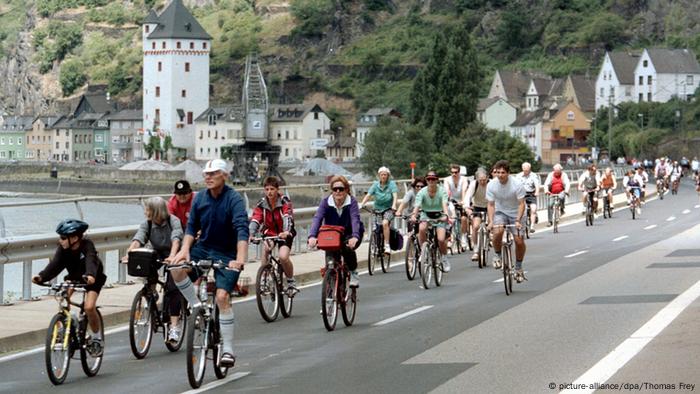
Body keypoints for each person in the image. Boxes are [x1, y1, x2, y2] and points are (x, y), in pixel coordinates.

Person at [172, 159, 249, 368]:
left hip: (227, 253)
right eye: (206, 174)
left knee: (222, 297)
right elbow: (191, 228)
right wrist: (185, 250)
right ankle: (196, 306)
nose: (208, 177)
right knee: (177, 270)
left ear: (224, 175)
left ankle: (228, 350)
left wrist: (239, 260)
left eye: (213, 173)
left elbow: (242, 230)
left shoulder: (234, 199)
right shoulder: (200, 199)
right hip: (203, 247)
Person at [32, 219, 107, 355]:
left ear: (74, 238)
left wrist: (90, 275)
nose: (60, 241)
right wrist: (41, 277)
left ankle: (96, 339)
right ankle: (68, 326)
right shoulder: (63, 249)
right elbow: (54, 265)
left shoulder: (87, 245)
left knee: (89, 307)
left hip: (93, 278)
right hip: (74, 277)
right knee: (63, 298)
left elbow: (91, 260)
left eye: (63, 238)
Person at [122, 197, 184, 344]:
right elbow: (138, 238)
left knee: (172, 288)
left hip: (174, 253)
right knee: (146, 263)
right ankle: (151, 291)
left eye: (148, 209)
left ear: (156, 211)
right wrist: (130, 253)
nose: (145, 212)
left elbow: (176, 239)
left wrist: (173, 256)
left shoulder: (173, 221)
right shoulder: (147, 224)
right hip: (157, 251)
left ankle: (174, 326)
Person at [308, 175, 364, 287]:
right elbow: (318, 218)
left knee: (348, 249)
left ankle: (353, 272)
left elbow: (355, 219)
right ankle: (331, 287)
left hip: (350, 233)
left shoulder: (351, 202)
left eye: (341, 189)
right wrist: (312, 236)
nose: (338, 191)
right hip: (332, 234)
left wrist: (355, 236)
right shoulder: (326, 202)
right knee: (331, 261)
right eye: (335, 189)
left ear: (346, 190)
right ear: (332, 191)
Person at [249, 176, 297, 291]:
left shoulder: (284, 201)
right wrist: (251, 234)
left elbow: (287, 216)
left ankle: (290, 280)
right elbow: (256, 219)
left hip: (285, 232)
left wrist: (286, 232)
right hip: (269, 232)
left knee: (283, 256)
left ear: (277, 189)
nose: (269, 192)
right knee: (266, 250)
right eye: (267, 189)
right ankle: (264, 279)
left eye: (272, 189)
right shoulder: (262, 204)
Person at [487, 160, 527, 282]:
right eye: (497, 172)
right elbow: (491, 204)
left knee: (519, 241)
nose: (500, 175)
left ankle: (519, 267)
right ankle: (497, 254)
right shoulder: (492, 185)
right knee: (498, 231)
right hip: (500, 211)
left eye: (503, 172)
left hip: (517, 212)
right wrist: (491, 221)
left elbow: (521, 204)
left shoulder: (517, 184)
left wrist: (518, 220)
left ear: (508, 173)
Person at [412, 170, 451, 272]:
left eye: (433, 179)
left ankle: (444, 258)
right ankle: (423, 251)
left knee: (441, 239)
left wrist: (446, 215)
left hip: (439, 215)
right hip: (426, 215)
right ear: (426, 180)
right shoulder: (422, 192)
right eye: (429, 179)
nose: (431, 181)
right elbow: (417, 205)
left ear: (437, 180)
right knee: (421, 228)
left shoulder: (442, 191)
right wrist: (414, 215)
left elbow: (444, 204)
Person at [360, 167, 398, 255]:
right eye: (382, 175)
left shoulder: (391, 184)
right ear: (379, 176)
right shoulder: (375, 185)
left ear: (388, 176)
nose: (383, 176)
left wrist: (394, 205)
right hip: (377, 209)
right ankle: (376, 245)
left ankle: (387, 245)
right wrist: (362, 203)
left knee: (385, 223)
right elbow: (368, 195)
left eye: (385, 175)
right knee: (376, 228)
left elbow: (395, 196)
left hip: (388, 209)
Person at [465, 168, 489, 261]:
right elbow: (468, 196)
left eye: (484, 180)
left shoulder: (491, 184)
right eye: (480, 180)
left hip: (489, 206)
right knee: (475, 226)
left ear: (487, 178)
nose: (482, 182)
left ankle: (489, 237)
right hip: (477, 206)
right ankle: (475, 249)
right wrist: (467, 207)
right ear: (477, 179)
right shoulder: (473, 184)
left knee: (492, 224)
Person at [443, 164, 469, 248]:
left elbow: (464, 190)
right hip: (452, 200)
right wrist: (448, 200)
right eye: (452, 172)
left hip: (462, 199)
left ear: (459, 172)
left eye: (456, 172)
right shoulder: (447, 180)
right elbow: (447, 191)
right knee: (449, 217)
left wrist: (463, 201)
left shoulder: (464, 179)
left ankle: (464, 236)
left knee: (464, 218)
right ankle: (450, 236)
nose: (454, 174)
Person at [515, 162, 540, 233]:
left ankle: (532, 226)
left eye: (527, 170)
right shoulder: (518, 176)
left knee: (533, 209)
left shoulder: (533, 175)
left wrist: (537, 191)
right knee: (522, 210)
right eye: (525, 170)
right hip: (521, 195)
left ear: (530, 169)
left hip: (531, 194)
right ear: (522, 169)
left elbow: (537, 185)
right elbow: (515, 185)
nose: (526, 171)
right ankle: (522, 224)